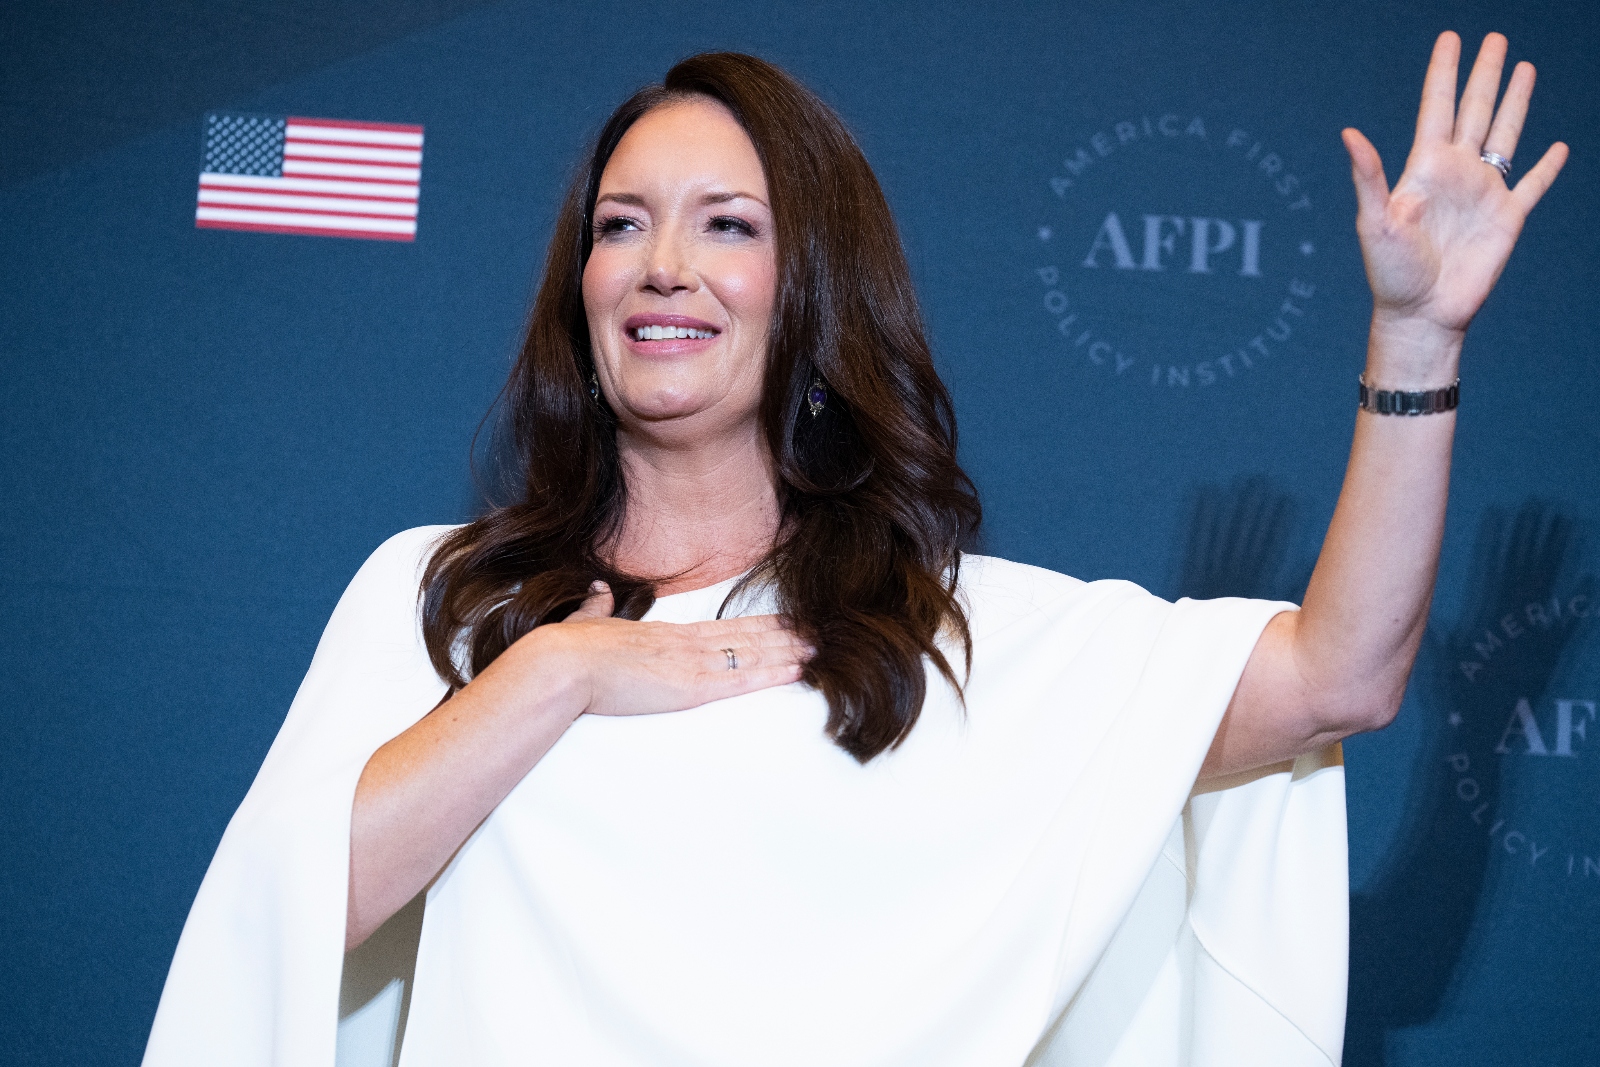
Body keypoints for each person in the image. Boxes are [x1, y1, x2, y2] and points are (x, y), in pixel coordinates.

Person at [144, 32, 1565, 1067]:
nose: (662, 268)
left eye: (728, 227)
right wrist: (558, 675)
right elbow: (277, 922)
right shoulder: (442, 597)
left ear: (810, 286)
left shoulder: (956, 635)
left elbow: (1338, 679)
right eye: (622, 226)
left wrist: (1418, 339)